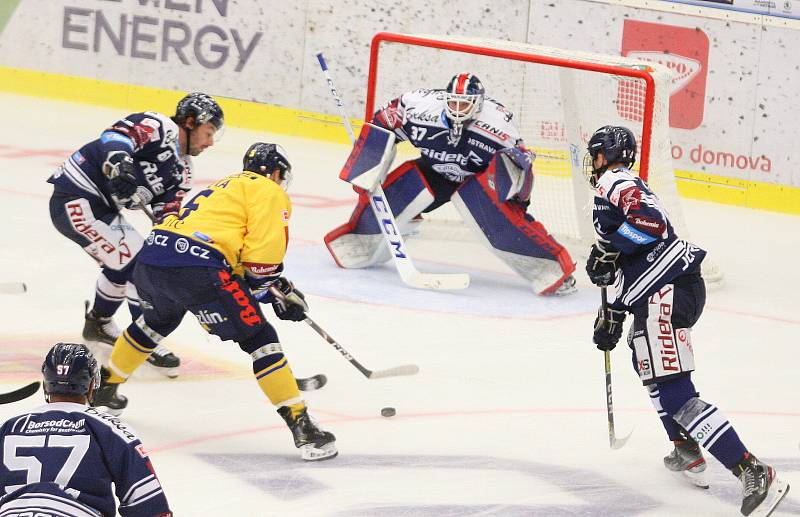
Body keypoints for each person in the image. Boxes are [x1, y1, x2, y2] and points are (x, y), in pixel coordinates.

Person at [584, 125, 789, 516]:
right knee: (648, 367)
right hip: (659, 291)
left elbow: (651, 225)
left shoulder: (615, 179)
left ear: (602, 156)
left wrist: (611, 248)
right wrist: (615, 308)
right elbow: (633, 254)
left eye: (593, 155)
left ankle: (753, 470)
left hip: (670, 288)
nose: (591, 164)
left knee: (675, 391)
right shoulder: (615, 185)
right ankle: (686, 449)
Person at [93, 143, 338, 462]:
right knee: (260, 339)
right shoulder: (268, 189)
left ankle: (106, 386)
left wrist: (275, 287)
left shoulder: (224, 186)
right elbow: (260, 259)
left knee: (155, 322)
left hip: (153, 260)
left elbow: (229, 251)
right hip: (198, 269)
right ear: (276, 172)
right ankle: (303, 427)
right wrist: (270, 290)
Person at [325, 73, 576, 296]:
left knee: (498, 222)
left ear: (477, 105)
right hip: (435, 171)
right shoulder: (419, 107)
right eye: (453, 103)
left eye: (464, 104)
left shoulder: (498, 125)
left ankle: (551, 267)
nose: (457, 109)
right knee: (392, 196)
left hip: (476, 180)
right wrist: (367, 167)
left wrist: (515, 203)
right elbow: (383, 123)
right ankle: (363, 240)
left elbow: (518, 168)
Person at [48, 92, 224, 378]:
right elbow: (116, 136)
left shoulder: (183, 171)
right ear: (190, 122)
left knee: (131, 260)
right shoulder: (157, 126)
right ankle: (142, 340)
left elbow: (166, 216)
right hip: (75, 197)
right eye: (208, 132)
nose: (211, 142)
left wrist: (179, 243)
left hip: (100, 209)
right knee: (135, 264)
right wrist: (120, 163)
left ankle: (99, 323)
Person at [0, 343, 171, 516]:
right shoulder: (110, 428)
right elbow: (150, 507)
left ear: (46, 385)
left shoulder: (10, 426)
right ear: (91, 386)